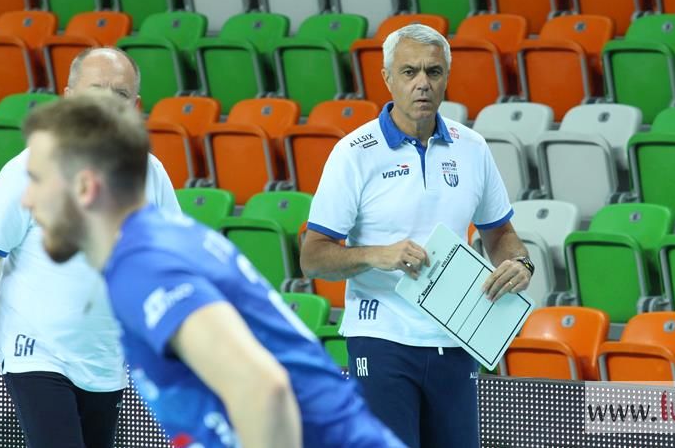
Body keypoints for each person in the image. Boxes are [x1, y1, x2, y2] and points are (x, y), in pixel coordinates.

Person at [20, 95, 406, 448]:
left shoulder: (143, 265)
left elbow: (264, 389)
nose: (27, 199)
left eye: (36, 179)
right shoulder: (161, 238)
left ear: (85, 187)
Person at [299, 24, 536, 448]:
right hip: (381, 338)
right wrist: (375, 255)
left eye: (433, 71)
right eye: (409, 72)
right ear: (387, 78)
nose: (422, 83)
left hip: (457, 338)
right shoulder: (353, 153)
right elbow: (313, 257)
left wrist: (519, 263)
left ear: (446, 77)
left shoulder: (473, 148)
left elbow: (500, 232)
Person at [0, 47, 180, 448]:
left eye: (120, 93)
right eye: (96, 90)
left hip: (105, 361)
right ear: (69, 97)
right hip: (36, 353)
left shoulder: (150, 174)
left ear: (135, 106)